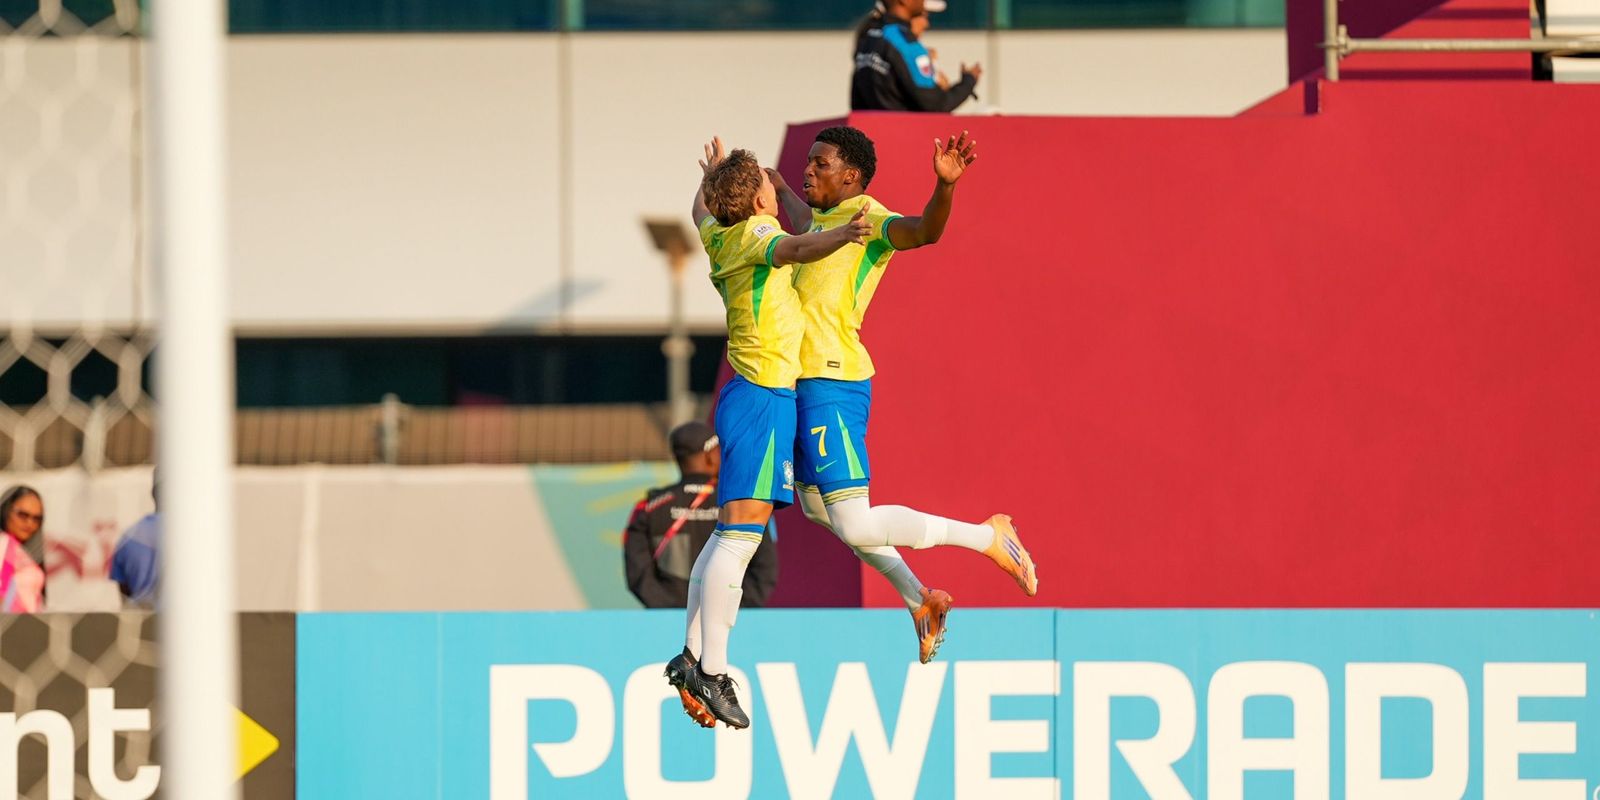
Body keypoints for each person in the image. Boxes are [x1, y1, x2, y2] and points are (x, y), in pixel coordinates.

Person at [767, 125, 1037, 664]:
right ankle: (919, 599)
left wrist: (945, 187)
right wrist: (779, 186)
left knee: (855, 522)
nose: (808, 169)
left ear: (851, 176)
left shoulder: (869, 218)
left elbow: (924, 231)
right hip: (798, 381)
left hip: (831, 379)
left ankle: (986, 536)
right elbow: (804, 222)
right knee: (818, 511)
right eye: (809, 162)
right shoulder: (823, 218)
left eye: (821, 164)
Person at [663, 138, 870, 731]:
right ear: (757, 201)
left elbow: (700, 211)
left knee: (727, 536)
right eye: (766, 186)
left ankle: (692, 655)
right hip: (764, 397)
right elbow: (798, 246)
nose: (775, 191)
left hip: (747, 395)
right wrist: (845, 234)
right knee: (739, 540)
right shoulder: (756, 233)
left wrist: (711, 179)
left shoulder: (718, 234)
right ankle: (713, 670)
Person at [623, 421, 777, 609]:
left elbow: (638, 573)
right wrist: (733, 609)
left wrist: (668, 609)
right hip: (729, 617)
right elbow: (765, 568)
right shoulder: (740, 503)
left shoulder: (649, 507)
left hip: (668, 619)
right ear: (710, 456)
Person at [852, 0, 980, 112]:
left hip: (872, 128)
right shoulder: (905, 42)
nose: (927, 24)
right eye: (924, 15)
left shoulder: (870, 37)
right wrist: (968, 81)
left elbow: (857, 102)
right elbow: (935, 104)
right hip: (902, 129)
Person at [110, 479, 162, 607]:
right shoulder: (196, 534)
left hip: (143, 616)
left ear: (153, 494)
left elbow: (124, 592)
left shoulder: (128, 537)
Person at [0, 485, 46, 580]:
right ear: (5, 510)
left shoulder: (21, 548)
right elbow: (3, 585)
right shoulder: (6, 544)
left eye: (37, 518)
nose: (30, 523)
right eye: (23, 515)